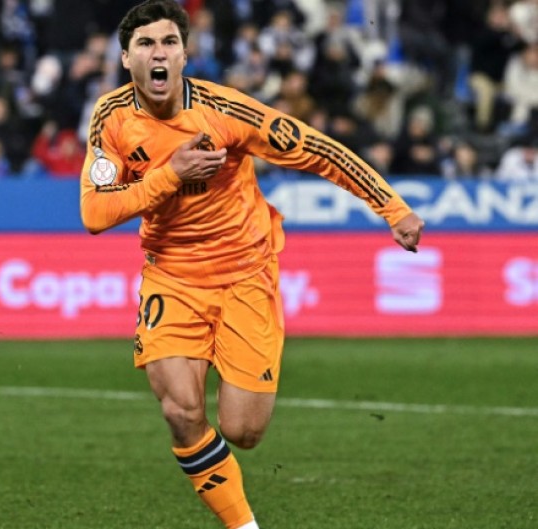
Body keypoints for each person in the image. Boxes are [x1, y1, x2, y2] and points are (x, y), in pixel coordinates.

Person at [79, 1, 424, 527]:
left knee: (244, 431)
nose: (158, 53)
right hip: (172, 276)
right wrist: (171, 174)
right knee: (180, 411)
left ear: (185, 54)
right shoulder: (111, 118)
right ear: (126, 58)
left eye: (168, 42)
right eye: (145, 44)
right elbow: (95, 213)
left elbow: (317, 150)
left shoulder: (227, 111)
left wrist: (391, 206)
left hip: (245, 273)